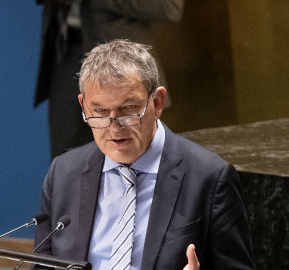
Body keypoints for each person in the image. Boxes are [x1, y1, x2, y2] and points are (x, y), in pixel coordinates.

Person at [4, 39, 258, 270]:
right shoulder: (66, 172)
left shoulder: (208, 177)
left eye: (129, 110)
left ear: (157, 102)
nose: (114, 127)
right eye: (100, 111)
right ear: (83, 105)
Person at [35, 0, 184, 158]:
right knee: (67, 169)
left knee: (138, 168)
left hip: (126, 67)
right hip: (65, 53)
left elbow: (169, 7)